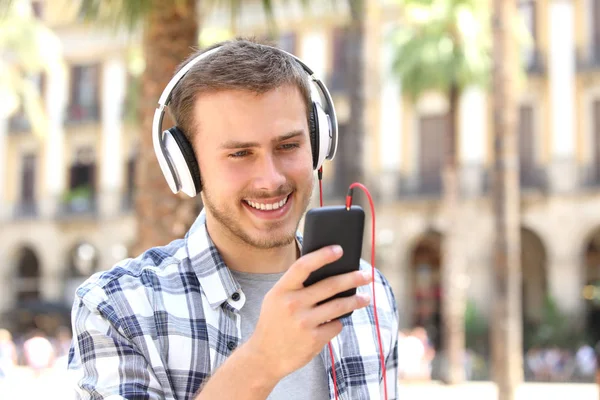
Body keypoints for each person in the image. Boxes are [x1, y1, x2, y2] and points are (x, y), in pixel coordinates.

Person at [68, 38, 399, 399]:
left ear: (318, 145)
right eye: (240, 153)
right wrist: (262, 362)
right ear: (188, 168)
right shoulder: (118, 309)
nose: (271, 179)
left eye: (288, 146)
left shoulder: (371, 294)